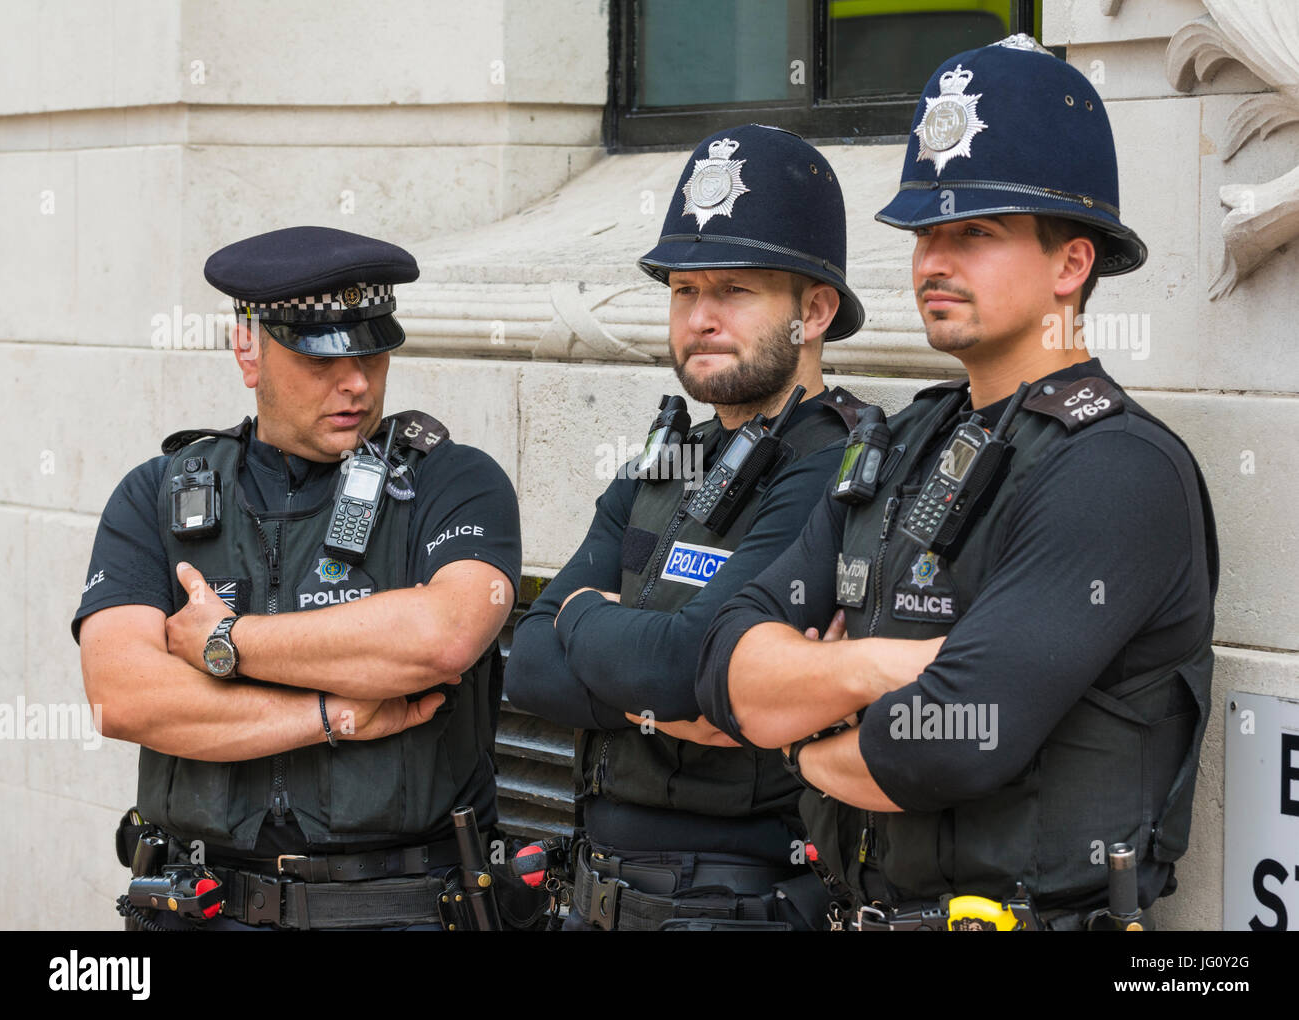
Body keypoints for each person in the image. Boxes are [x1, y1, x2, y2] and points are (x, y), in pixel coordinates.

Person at [696, 36, 1218, 931]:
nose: (934, 260)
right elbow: (721, 667)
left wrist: (807, 725)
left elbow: (951, 742)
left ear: (1071, 264)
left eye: (975, 232)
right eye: (926, 233)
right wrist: (877, 667)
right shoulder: (901, 441)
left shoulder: (1117, 470)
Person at [74, 225, 522, 930]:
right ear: (248, 348)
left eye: (373, 354)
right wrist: (331, 716)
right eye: (322, 361)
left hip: (393, 910)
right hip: (197, 907)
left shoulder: (454, 483)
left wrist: (225, 642)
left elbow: (442, 636)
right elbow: (123, 698)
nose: (357, 383)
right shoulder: (157, 495)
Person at [505, 124, 880, 930]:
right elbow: (530, 664)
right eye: (684, 290)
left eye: (734, 291)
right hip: (599, 888)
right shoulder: (671, 456)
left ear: (812, 311)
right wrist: (652, 691)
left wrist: (587, 623)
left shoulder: (834, 465)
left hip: (742, 893)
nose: (701, 317)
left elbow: (686, 666)